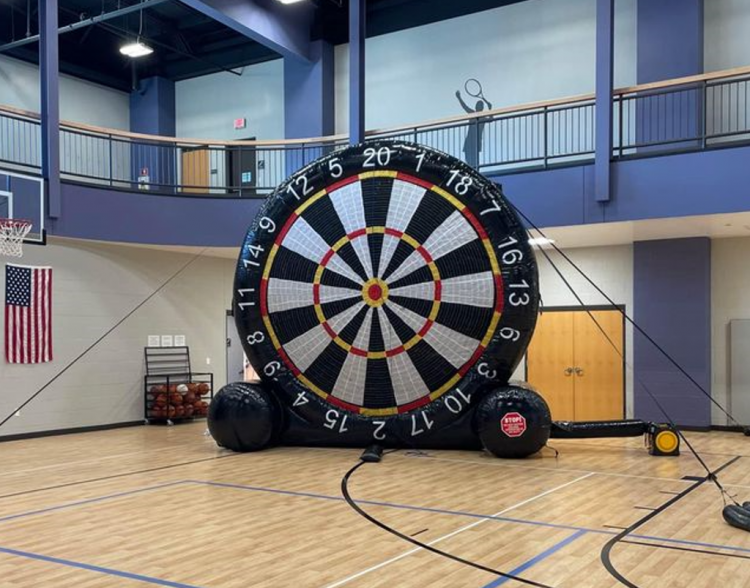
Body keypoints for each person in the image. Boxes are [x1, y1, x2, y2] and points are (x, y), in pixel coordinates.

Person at [456, 89, 492, 169]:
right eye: (478, 105)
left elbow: (491, 119)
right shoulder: (472, 113)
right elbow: (464, 106)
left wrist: (490, 109)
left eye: (480, 106)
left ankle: (475, 172)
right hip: (469, 140)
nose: (479, 107)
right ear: (476, 107)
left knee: (475, 161)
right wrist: (459, 98)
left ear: (482, 108)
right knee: (468, 160)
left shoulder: (483, 118)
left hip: (476, 141)